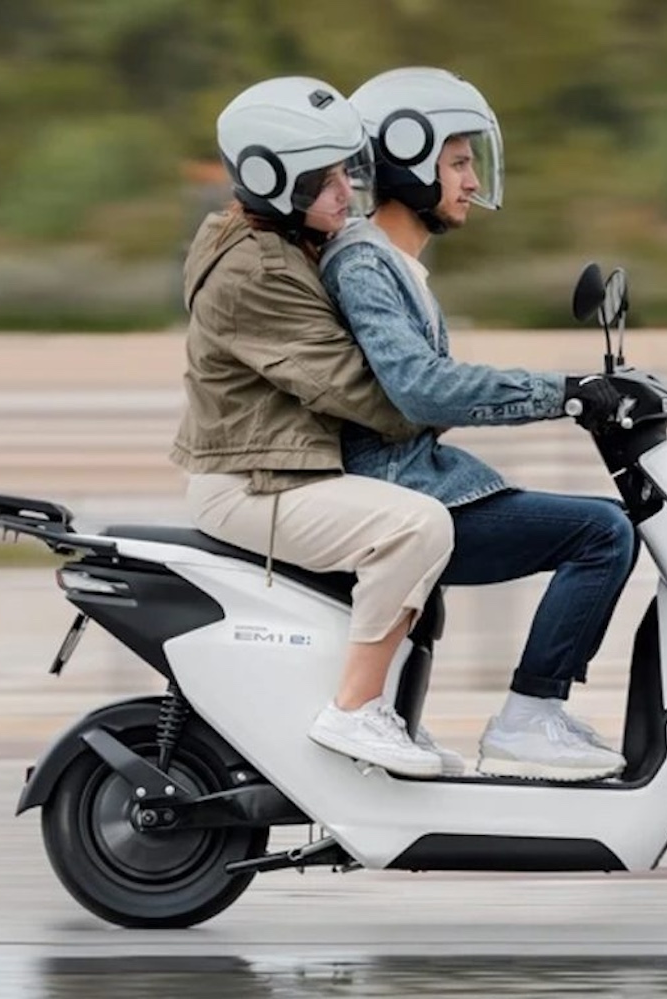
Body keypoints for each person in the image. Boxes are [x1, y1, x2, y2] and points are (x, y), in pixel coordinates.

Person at [321, 67, 636, 782]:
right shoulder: (366, 262)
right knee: (603, 533)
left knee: (597, 524)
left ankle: (528, 714)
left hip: (418, 482)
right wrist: (563, 392)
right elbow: (422, 389)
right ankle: (529, 718)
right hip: (400, 489)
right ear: (406, 155)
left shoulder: (392, 263)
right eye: (457, 162)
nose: (470, 181)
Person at [171, 76, 467, 778]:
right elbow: (361, 392)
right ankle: (354, 711)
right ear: (273, 181)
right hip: (252, 483)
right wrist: (454, 397)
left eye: (344, 170)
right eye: (324, 178)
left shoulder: (281, 238)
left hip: (280, 468)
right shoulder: (254, 271)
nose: (346, 191)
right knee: (418, 527)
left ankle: (385, 718)